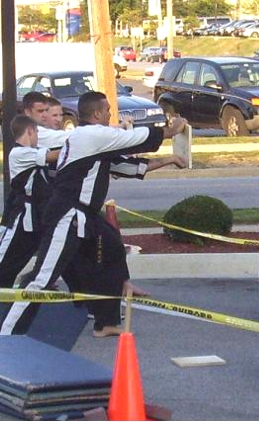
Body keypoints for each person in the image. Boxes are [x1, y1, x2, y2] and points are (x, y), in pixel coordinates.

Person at [0, 91, 187, 338]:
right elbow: (135, 137)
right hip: (66, 214)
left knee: (111, 250)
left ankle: (105, 321)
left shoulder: (95, 145)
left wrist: (170, 159)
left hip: (84, 217)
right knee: (42, 278)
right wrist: (170, 130)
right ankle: (8, 337)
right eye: (108, 110)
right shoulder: (89, 134)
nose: (111, 114)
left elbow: (128, 167)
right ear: (97, 113)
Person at [0, 115, 60, 288]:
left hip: (39, 219)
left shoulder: (34, 152)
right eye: (37, 133)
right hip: (22, 219)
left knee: (54, 259)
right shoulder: (19, 153)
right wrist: (79, 146)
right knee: (5, 264)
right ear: (30, 131)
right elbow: (51, 156)